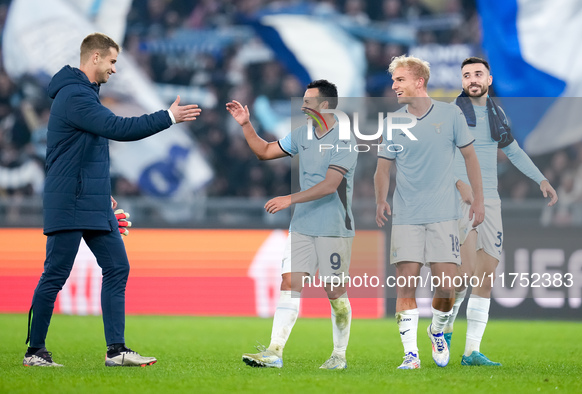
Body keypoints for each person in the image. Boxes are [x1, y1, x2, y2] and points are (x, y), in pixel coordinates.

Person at [23, 32, 201, 367]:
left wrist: (102, 196)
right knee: (55, 275)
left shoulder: (83, 94)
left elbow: (84, 155)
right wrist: (169, 117)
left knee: (118, 267)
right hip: (70, 201)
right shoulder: (75, 96)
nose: (114, 69)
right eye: (112, 61)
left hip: (90, 200)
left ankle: (116, 350)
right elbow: (118, 128)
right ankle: (35, 352)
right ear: (95, 58)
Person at [226, 79, 357, 370]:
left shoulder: (346, 139)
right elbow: (264, 151)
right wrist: (246, 124)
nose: (302, 105)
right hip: (302, 226)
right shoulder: (302, 134)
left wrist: (289, 198)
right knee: (289, 282)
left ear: (325, 105)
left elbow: (329, 185)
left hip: (335, 228)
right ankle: (274, 352)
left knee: (335, 293)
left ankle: (338, 355)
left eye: (308, 101)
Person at [443, 57, 558, 366]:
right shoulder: (453, 114)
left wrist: (541, 179)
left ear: (489, 80)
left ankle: (470, 352)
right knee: (464, 274)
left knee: (485, 276)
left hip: (490, 200)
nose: (472, 79)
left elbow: (513, 151)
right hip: (461, 199)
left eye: (478, 73)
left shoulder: (497, 114)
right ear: (463, 82)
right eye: (467, 75)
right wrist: (458, 184)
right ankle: (442, 326)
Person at [374, 55, 484, 369]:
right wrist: (381, 199)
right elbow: (383, 169)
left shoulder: (451, 115)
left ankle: (437, 329)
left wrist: (477, 200)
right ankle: (410, 354)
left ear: (419, 82)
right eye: (394, 80)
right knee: (405, 283)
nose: (394, 86)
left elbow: (471, 159)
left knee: (446, 287)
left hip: (443, 215)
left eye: (400, 80)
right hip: (407, 215)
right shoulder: (393, 122)